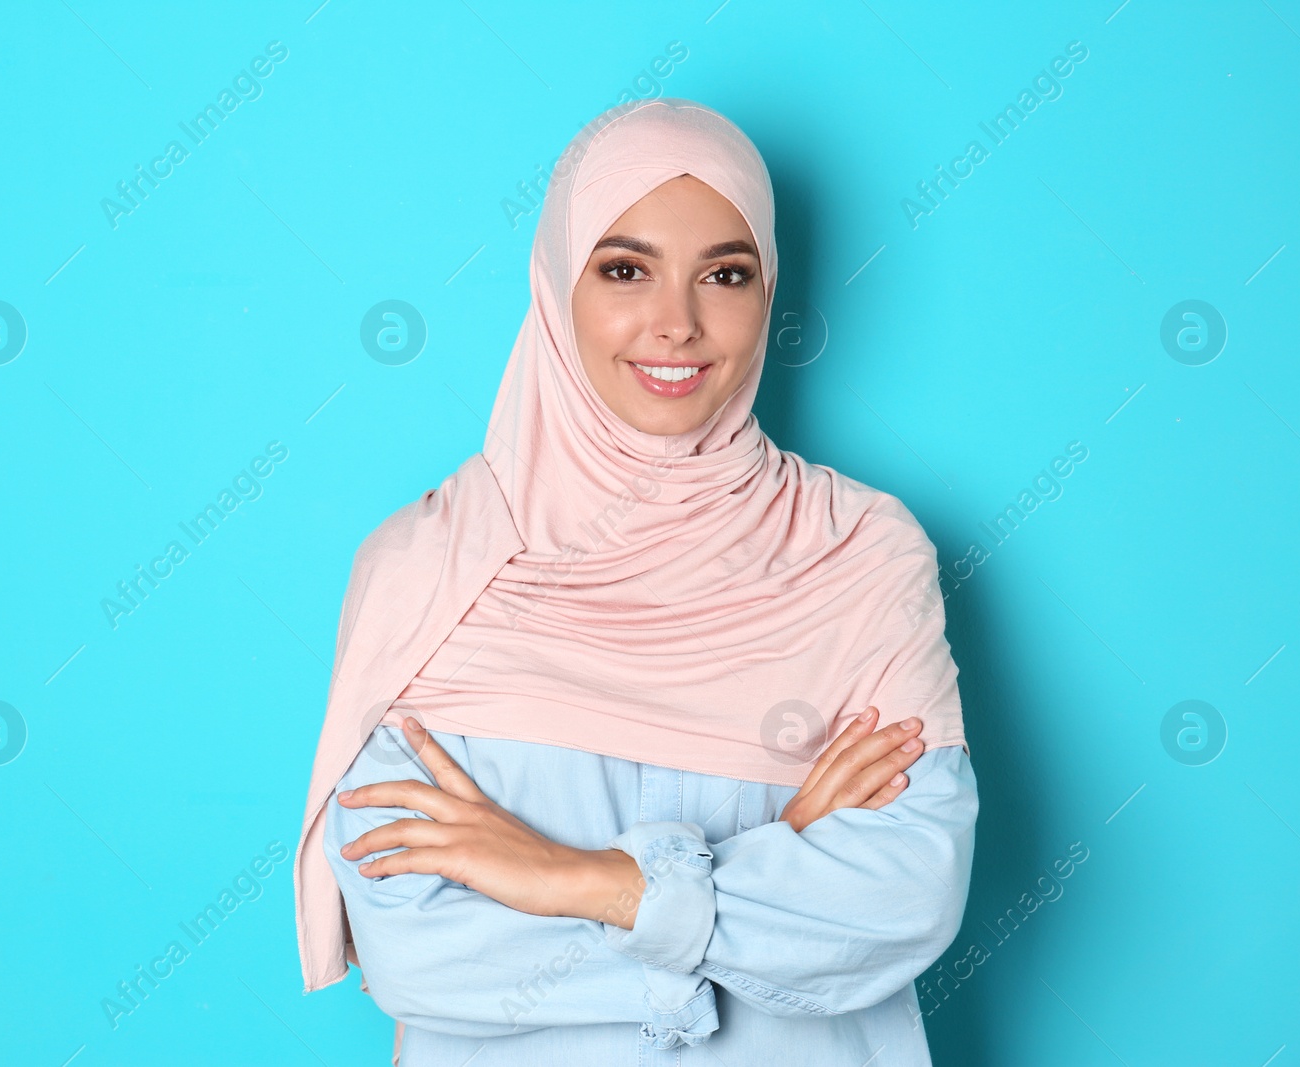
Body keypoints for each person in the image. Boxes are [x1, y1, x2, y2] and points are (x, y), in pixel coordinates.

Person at [293, 97, 977, 1067]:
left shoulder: (858, 552)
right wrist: (769, 868)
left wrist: (584, 881)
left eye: (725, 275)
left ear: (768, 289)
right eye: (624, 269)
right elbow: (417, 949)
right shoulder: (427, 566)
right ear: (556, 282)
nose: (678, 324)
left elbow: (904, 894)